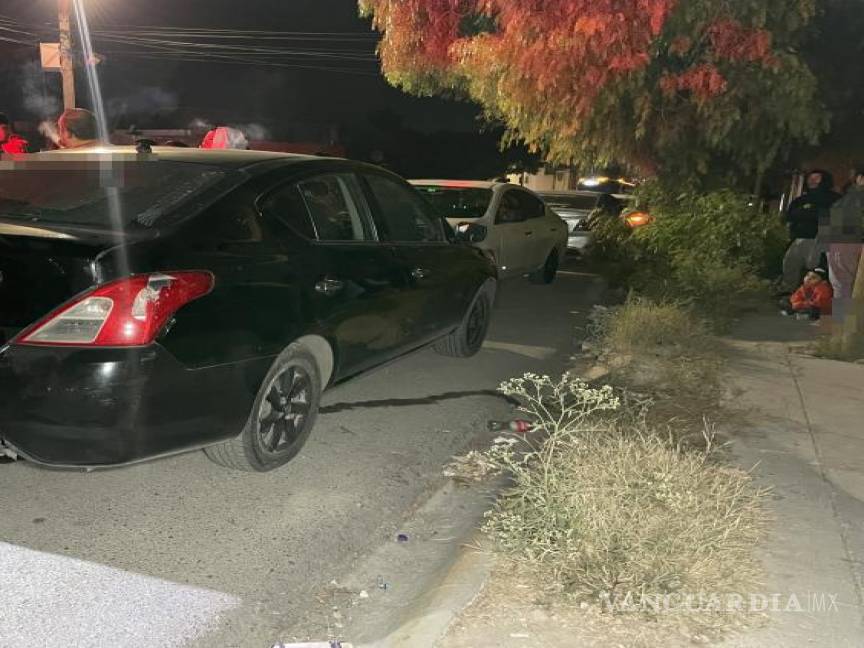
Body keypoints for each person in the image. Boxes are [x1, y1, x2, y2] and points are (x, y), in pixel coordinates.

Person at [782, 170, 840, 292]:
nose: (812, 180)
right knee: (790, 264)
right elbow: (790, 216)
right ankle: (789, 293)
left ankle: (815, 298)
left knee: (816, 270)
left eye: (817, 177)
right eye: (810, 177)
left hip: (820, 240)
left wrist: (808, 214)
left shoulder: (833, 198)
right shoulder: (801, 200)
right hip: (799, 238)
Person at [824, 166, 864, 320]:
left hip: (838, 243)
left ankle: (842, 327)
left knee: (842, 287)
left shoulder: (846, 198)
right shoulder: (851, 198)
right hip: (850, 242)